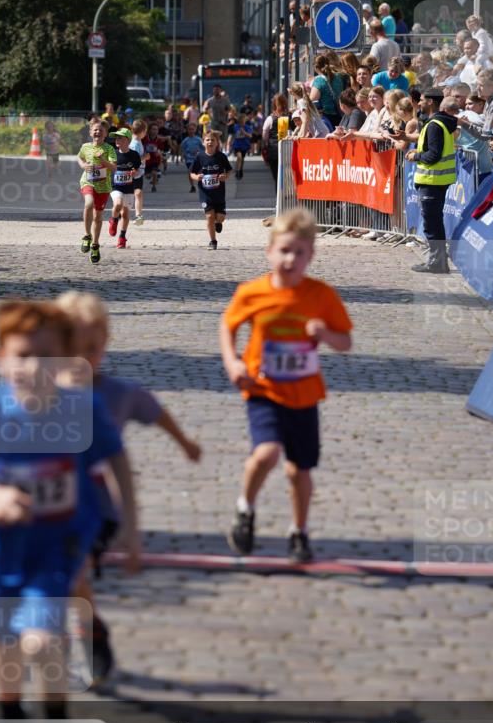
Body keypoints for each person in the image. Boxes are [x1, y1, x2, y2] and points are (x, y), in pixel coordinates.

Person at [0, 299, 139, 718]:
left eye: (47, 357)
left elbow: (117, 457)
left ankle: (54, 718)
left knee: (43, 640)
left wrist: (130, 526)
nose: (34, 368)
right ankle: (10, 714)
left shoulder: (81, 409)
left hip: (57, 548)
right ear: (1, 358)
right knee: (7, 652)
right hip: (0, 553)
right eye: (23, 356)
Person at [56, 291, 200, 683]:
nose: (83, 357)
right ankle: (87, 627)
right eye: (73, 347)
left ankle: (86, 634)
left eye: (92, 347)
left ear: (105, 343)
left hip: (96, 510)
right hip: (48, 507)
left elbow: (156, 412)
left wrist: (185, 443)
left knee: (71, 576)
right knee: (66, 582)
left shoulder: (118, 394)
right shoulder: (38, 393)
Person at [220, 208, 352, 563]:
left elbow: (345, 343)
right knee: (266, 453)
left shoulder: (321, 295)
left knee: (298, 470)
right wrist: (233, 362)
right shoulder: (253, 293)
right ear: (269, 251)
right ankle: (245, 509)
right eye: (284, 250)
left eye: (299, 252)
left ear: (311, 255)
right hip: (263, 390)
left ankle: (299, 531)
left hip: (304, 395)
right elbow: (228, 325)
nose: (290, 259)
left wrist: (323, 333)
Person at [405, 87, 457, 273]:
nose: (418, 103)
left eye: (422, 100)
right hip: (434, 181)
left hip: (432, 181)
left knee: (432, 224)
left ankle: (437, 263)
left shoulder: (435, 125)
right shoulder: (435, 123)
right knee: (434, 223)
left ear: (431, 102)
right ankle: (438, 262)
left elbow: (433, 155)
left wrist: (415, 156)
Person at [77, 118, 117, 265]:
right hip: (88, 182)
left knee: (98, 217)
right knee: (89, 203)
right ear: (90, 132)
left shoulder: (109, 149)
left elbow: (113, 168)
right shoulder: (85, 147)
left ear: (105, 134)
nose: (98, 131)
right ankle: (87, 235)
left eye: (101, 130)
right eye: (95, 129)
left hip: (104, 186)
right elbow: (80, 157)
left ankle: (95, 244)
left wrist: (103, 160)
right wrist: (83, 165)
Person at [189, 130, 232, 249]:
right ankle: (213, 241)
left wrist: (225, 176)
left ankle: (218, 223)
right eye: (207, 140)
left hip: (219, 194)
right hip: (205, 194)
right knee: (209, 216)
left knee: (220, 218)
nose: (210, 142)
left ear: (217, 143)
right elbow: (191, 173)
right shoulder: (200, 157)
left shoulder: (221, 156)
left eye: (213, 140)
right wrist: (196, 177)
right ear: (203, 142)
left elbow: (229, 170)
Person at [107, 128, 141, 250]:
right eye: (116, 138)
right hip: (115, 186)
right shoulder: (113, 153)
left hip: (129, 188)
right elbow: (109, 167)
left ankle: (122, 237)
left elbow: (136, 170)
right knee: (118, 204)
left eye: (120, 138)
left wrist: (134, 172)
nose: (117, 140)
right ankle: (114, 220)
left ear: (127, 140)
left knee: (126, 214)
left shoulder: (134, 155)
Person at [309, 54, 344, 127]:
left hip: (326, 117)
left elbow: (313, 99)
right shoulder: (338, 77)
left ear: (316, 67)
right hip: (340, 114)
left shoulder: (319, 80)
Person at [129, 118, 147, 226]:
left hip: (139, 172)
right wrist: (145, 157)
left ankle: (138, 215)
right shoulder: (134, 143)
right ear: (143, 131)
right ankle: (134, 213)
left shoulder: (138, 141)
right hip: (134, 172)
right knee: (134, 194)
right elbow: (134, 159)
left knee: (138, 194)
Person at [181, 122, 204, 192]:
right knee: (190, 172)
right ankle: (192, 186)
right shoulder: (185, 140)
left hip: (198, 159)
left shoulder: (199, 139)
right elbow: (182, 149)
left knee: (199, 172)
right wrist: (182, 156)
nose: (191, 131)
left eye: (192, 129)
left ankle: (201, 185)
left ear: (195, 130)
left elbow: (204, 148)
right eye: (189, 129)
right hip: (189, 159)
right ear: (187, 130)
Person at [143, 121, 165, 193]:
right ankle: (149, 175)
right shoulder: (144, 139)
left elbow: (161, 150)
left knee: (154, 172)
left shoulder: (159, 140)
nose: (155, 131)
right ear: (149, 130)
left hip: (155, 160)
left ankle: (154, 186)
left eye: (156, 129)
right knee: (147, 175)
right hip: (146, 160)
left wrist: (159, 152)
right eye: (153, 129)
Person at [231, 113, 252, 180]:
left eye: (243, 122)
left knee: (242, 159)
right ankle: (237, 171)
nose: (242, 123)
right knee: (239, 157)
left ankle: (240, 170)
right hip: (237, 145)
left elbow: (250, 136)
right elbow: (233, 134)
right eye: (241, 122)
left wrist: (244, 132)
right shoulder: (235, 126)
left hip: (244, 145)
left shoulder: (247, 127)